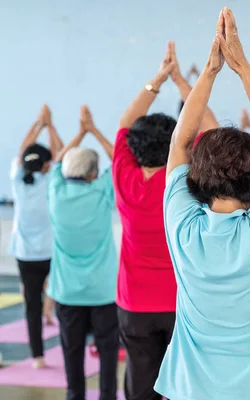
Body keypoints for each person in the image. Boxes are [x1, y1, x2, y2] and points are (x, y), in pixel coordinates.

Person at [154, 8, 250, 399]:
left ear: (196, 177)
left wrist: (209, 71)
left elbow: (179, 144)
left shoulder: (182, 226)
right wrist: (241, 66)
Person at [114, 41, 218, 400]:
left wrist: (157, 80)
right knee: (183, 389)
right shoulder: (185, 178)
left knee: (140, 388)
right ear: (179, 144)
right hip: (180, 304)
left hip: (134, 306)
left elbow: (125, 124)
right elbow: (210, 127)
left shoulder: (123, 176)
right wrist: (182, 83)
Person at [47, 105, 119, 400]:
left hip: (67, 293)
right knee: (108, 355)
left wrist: (78, 133)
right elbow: (120, 160)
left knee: (72, 354)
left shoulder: (56, 193)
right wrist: (93, 130)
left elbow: (58, 160)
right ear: (93, 174)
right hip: (103, 292)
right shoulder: (102, 191)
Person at [10, 104, 63, 369]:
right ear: (45, 165)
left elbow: (22, 152)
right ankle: (63, 339)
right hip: (51, 253)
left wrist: (37, 125)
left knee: (31, 306)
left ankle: (37, 357)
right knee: (62, 299)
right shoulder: (50, 181)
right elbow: (61, 154)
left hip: (25, 255)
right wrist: (49, 125)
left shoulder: (18, 182)